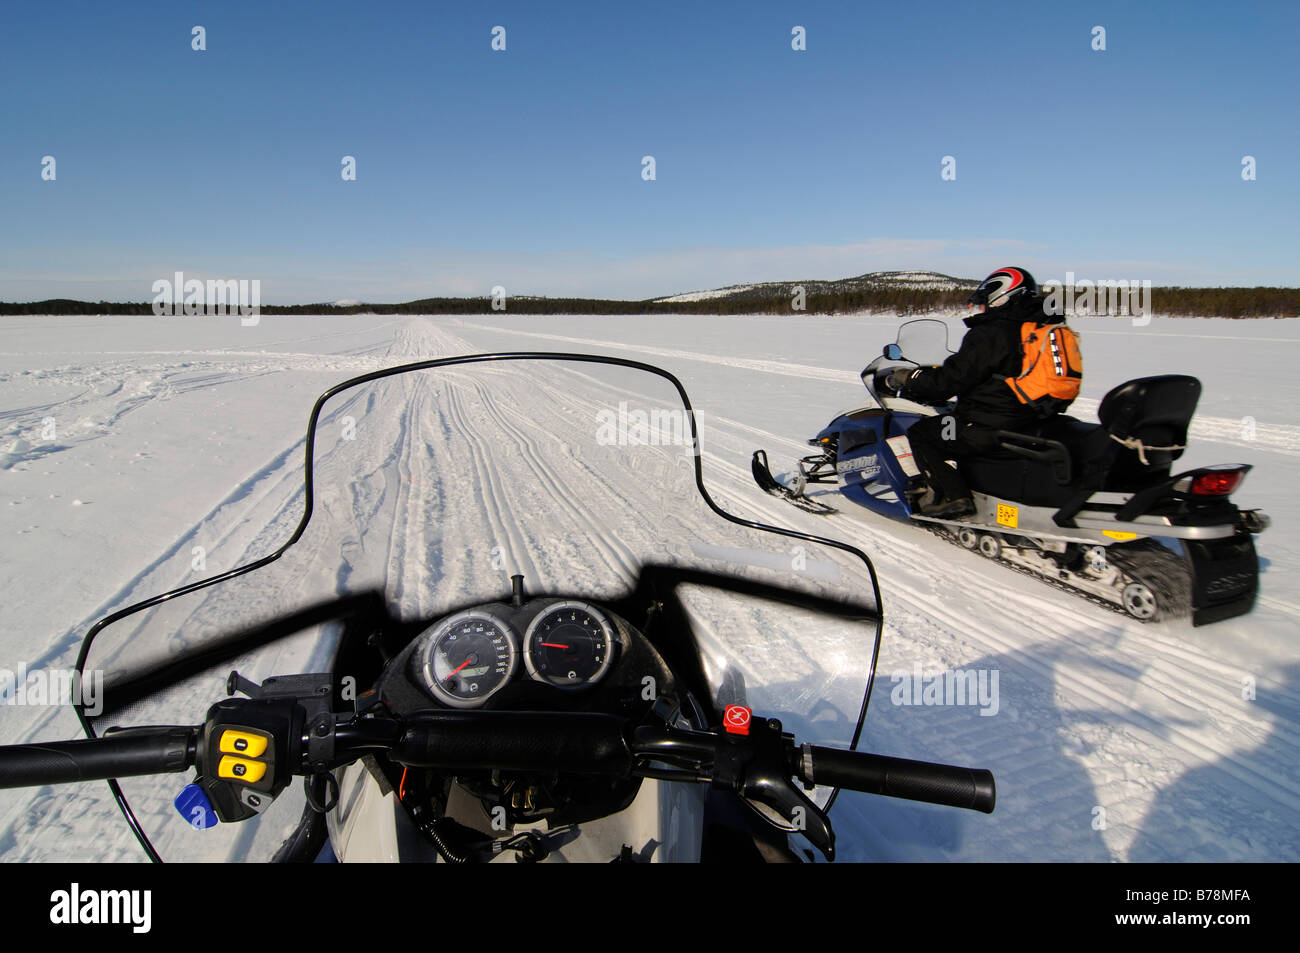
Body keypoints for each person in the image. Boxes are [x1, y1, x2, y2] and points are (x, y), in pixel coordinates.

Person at [884, 266, 1078, 519]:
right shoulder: (1039, 327)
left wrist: (911, 378)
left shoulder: (992, 332)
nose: (983, 309)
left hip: (988, 423)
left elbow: (949, 381)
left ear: (1001, 295)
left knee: (925, 433)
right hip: (1032, 417)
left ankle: (954, 497)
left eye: (985, 302)